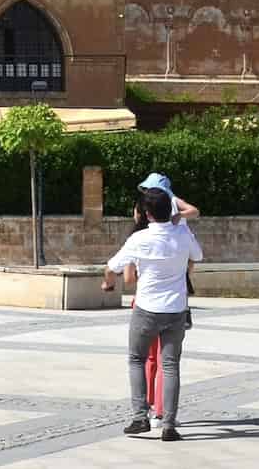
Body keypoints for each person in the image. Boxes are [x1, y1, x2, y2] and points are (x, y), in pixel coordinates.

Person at [103, 187, 203, 442]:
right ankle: (168, 424)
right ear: (170, 210)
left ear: (146, 214)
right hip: (176, 309)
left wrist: (108, 284)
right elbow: (198, 256)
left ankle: (140, 418)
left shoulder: (139, 239)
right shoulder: (182, 233)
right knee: (170, 365)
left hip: (146, 308)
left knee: (136, 359)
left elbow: (112, 267)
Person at [130, 177, 200, 427]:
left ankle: (145, 412)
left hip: (146, 301)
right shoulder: (180, 228)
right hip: (174, 304)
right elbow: (194, 259)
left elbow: (125, 271)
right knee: (167, 363)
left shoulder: (143, 227)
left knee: (144, 359)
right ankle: (164, 416)